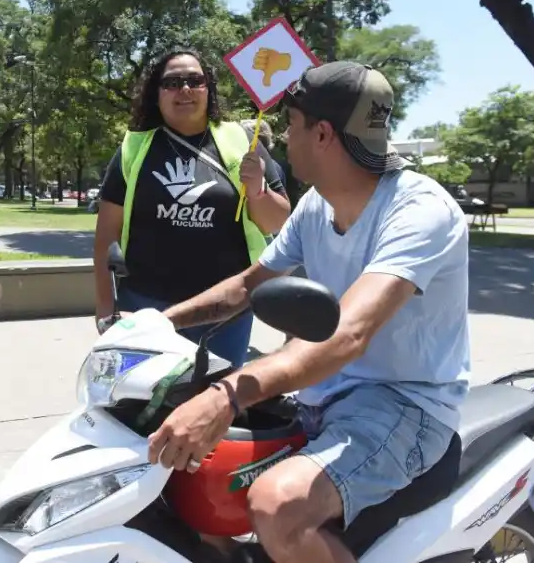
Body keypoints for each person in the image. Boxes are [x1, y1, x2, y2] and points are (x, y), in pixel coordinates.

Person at [146, 61, 470, 563]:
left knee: (279, 507)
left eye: (290, 127)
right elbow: (250, 286)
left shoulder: (419, 211)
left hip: (405, 406)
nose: (282, 141)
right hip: (320, 400)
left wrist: (226, 395)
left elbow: (347, 334)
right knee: (195, 486)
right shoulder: (316, 204)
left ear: (321, 134)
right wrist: (158, 322)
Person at [94, 48, 291, 367]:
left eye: (194, 80)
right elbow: (105, 238)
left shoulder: (242, 141)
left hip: (225, 313)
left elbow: (277, 222)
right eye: (172, 82)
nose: (184, 89)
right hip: (145, 310)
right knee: (143, 410)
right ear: (156, 94)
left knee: (213, 407)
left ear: (209, 89)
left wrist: (257, 191)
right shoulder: (134, 147)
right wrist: (106, 311)